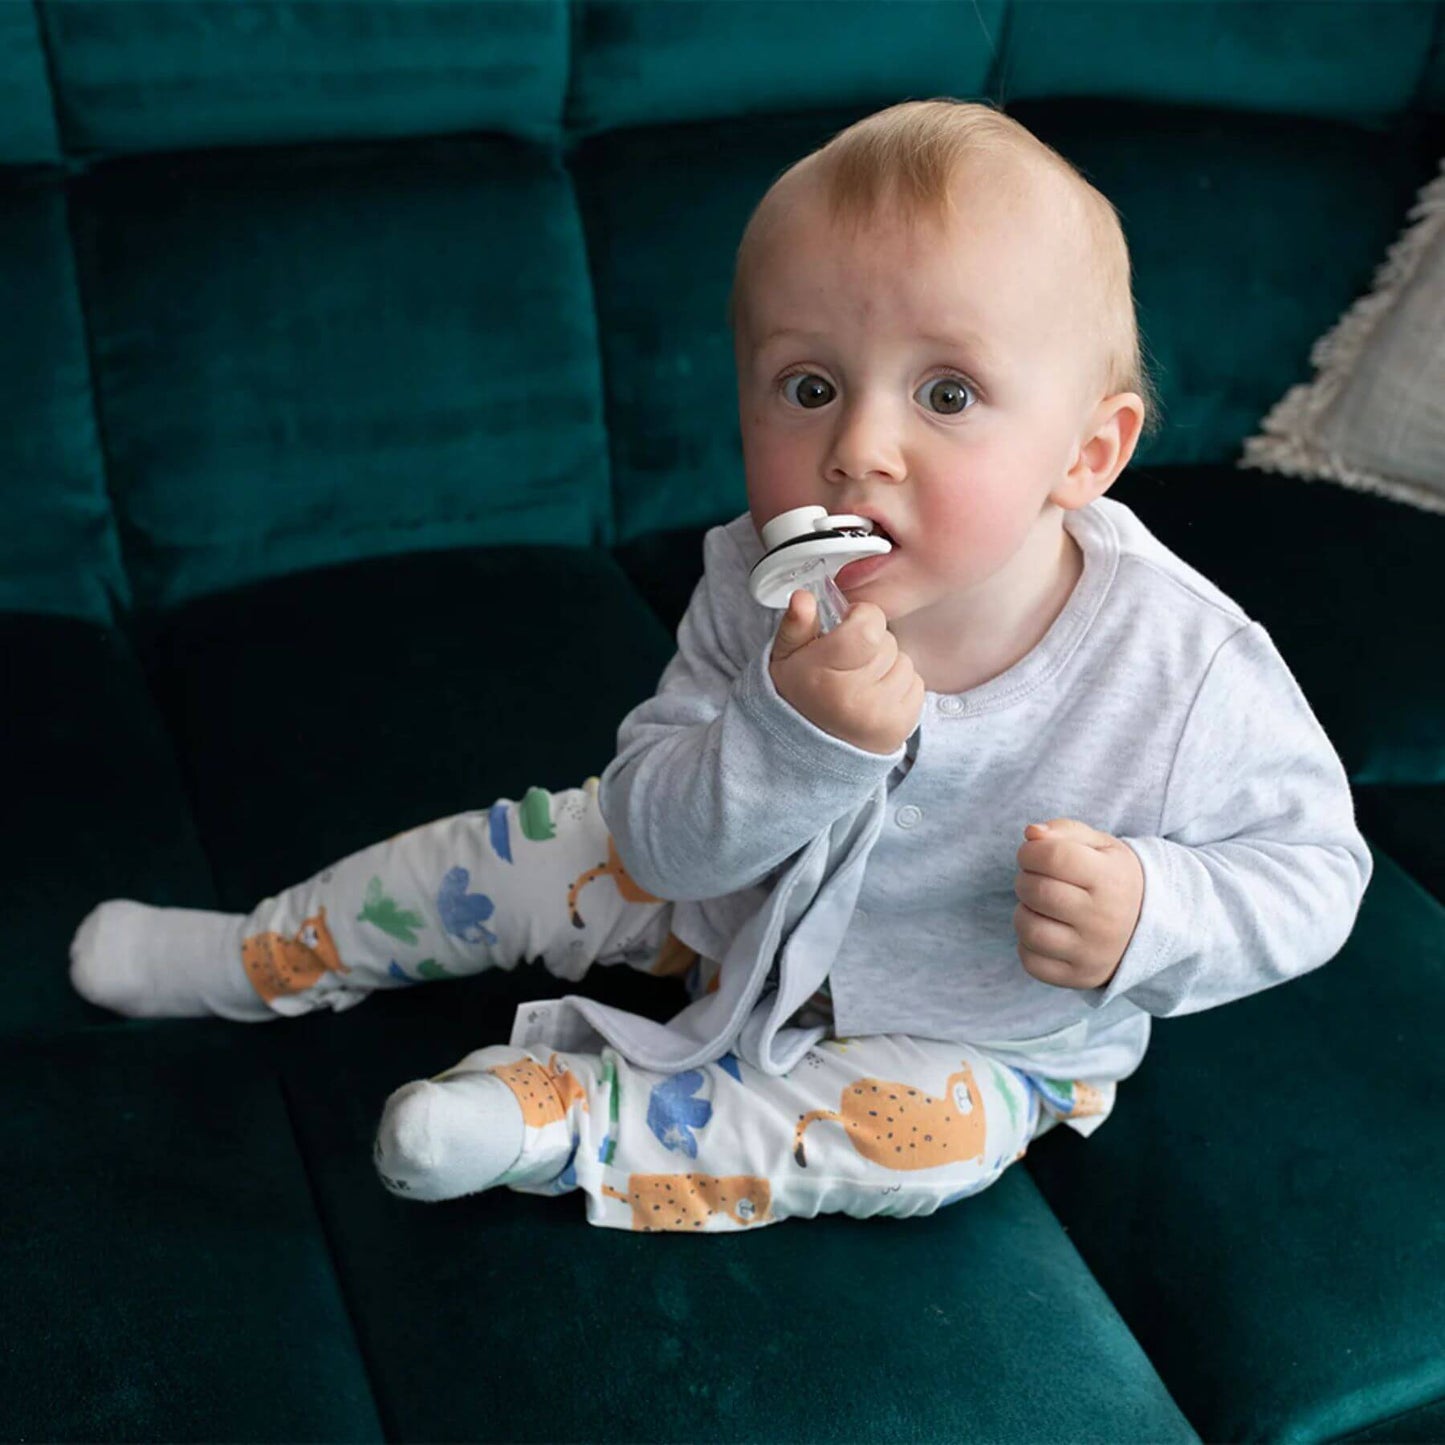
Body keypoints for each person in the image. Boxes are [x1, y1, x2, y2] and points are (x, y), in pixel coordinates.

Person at [68, 98, 1373, 1234]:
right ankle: (262, 953)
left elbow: (1316, 869)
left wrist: (1158, 908)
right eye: (807, 387)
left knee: (921, 1137)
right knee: (531, 845)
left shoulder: (1182, 661)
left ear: (1085, 455)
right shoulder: (762, 574)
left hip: (974, 1024)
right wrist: (791, 737)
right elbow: (656, 835)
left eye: (948, 394)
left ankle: (552, 1117)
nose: (857, 448)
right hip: (722, 898)